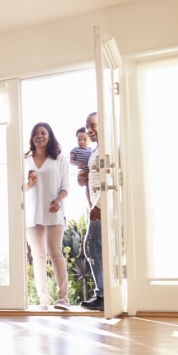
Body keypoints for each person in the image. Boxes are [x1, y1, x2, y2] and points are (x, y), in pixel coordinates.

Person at [23, 122, 71, 311]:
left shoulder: (59, 159)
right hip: (32, 212)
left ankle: (63, 298)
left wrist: (58, 201)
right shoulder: (25, 160)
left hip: (53, 210)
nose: (39, 136)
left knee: (55, 253)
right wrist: (29, 182)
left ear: (50, 136)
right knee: (38, 256)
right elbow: (21, 188)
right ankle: (44, 300)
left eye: (43, 133)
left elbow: (66, 186)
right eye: (35, 133)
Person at [77, 112, 104, 310]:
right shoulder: (96, 151)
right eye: (88, 127)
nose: (90, 130)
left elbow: (111, 177)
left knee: (92, 246)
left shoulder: (110, 149)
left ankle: (103, 296)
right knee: (93, 247)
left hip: (103, 207)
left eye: (93, 125)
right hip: (96, 206)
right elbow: (93, 177)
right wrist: (84, 177)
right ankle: (103, 294)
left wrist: (99, 205)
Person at [70, 127, 93, 206]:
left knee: (89, 186)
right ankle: (90, 203)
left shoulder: (90, 150)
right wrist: (77, 164)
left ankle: (93, 202)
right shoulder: (75, 150)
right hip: (82, 171)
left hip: (89, 172)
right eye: (79, 140)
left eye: (84, 139)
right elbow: (71, 161)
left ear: (89, 140)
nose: (81, 142)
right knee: (86, 185)